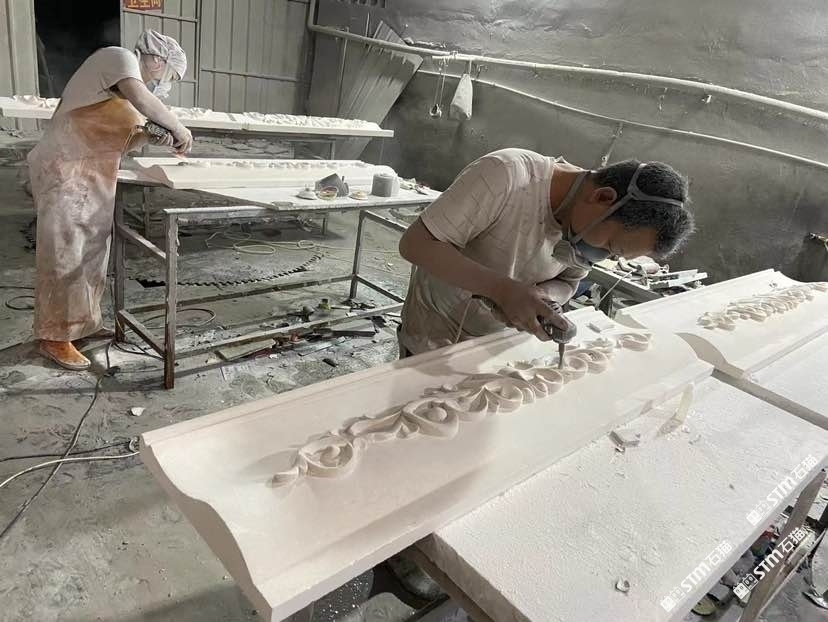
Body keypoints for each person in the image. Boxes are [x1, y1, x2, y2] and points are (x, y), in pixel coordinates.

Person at [397, 148, 695, 356]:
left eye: (614, 257)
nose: (602, 257)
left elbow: (568, 282)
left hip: (498, 347)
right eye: (610, 247)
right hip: (433, 334)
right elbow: (416, 244)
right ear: (603, 198)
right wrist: (502, 289)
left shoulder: (584, 226)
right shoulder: (506, 175)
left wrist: (542, 298)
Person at [30, 30, 194, 370]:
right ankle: (54, 336)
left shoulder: (126, 94)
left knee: (91, 254)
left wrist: (149, 135)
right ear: (158, 60)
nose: (166, 83)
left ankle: (82, 325)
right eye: (171, 76)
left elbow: (119, 142)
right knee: (65, 253)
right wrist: (178, 128)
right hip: (65, 167)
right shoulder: (119, 59)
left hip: (93, 176)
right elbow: (143, 99)